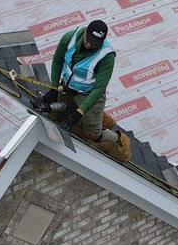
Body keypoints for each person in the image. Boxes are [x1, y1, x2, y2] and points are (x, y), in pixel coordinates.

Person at [44, 20, 128, 160]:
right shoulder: (69, 38)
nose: (90, 45)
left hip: (90, 95)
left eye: (95, 44)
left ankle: (117, 138)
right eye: (89, 41)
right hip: (67, 87)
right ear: (85, 32)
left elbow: (99, 88)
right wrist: (53, 88)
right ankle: (99, 118)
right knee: (55, 114)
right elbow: (58, 60)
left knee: (92, 135)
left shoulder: (107, 56)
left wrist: (79, 112)